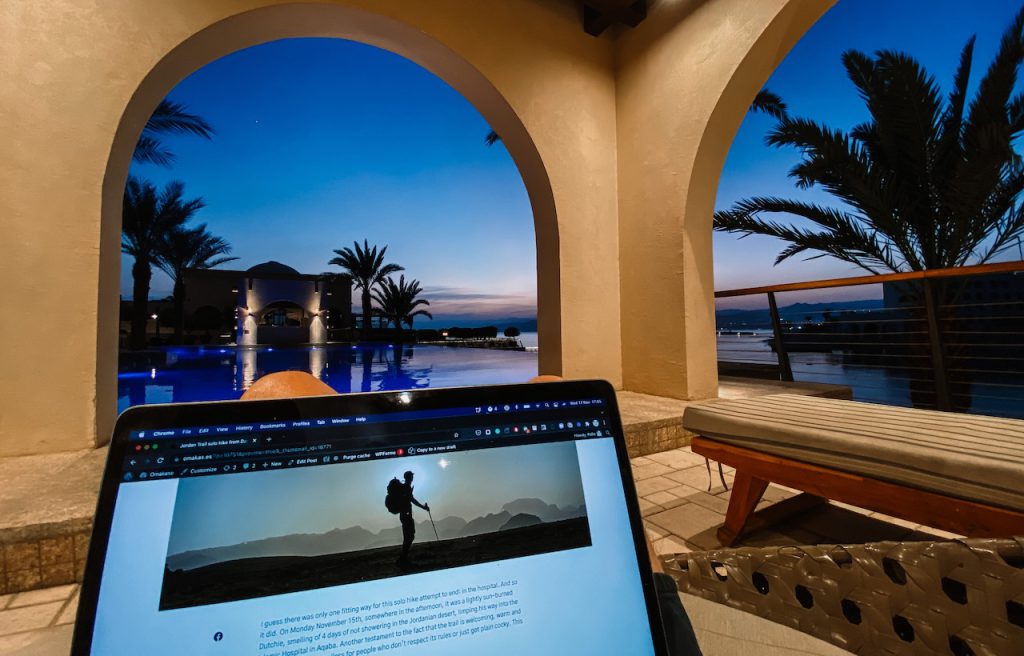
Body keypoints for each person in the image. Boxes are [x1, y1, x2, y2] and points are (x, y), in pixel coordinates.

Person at [241, 371, 701, 655]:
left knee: (275, 391)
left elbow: (414, 498)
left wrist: (417, 494)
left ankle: (405, 559)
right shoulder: (401, 485)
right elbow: (410, 497)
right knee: (551, 389)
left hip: (407, 518)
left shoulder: (403, 485)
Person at [395, 470, 429, 566]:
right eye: (411, 476)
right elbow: (413, 500)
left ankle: (403, 558)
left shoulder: (406, 487)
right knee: (409, 536)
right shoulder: (406, 487)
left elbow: (411, 500)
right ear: (409, 477)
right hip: (406, 515)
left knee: (408, 536)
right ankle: (403, 559)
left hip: (404, 515)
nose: (412, 478)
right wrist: (424, 507)